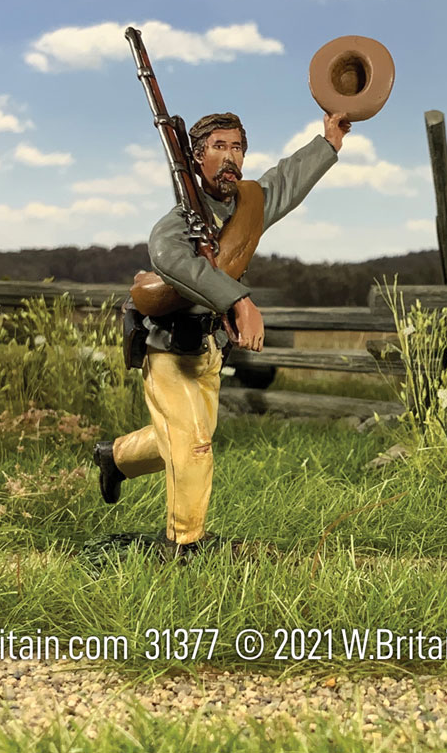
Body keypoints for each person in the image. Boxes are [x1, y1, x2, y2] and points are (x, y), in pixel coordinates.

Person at [93, 110, 351, 548]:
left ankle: (114, 457)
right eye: (218, 148)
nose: (230, 157)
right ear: (196, 158)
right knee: (193, 447)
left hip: (208, 348)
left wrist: (328, 142)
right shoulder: (177, 222)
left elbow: (284, 181)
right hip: (169, 346)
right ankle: (184, 544)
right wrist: (238, 298)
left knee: (178, 438)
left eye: (237, 148)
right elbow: (169, 257)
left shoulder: (245, 206)